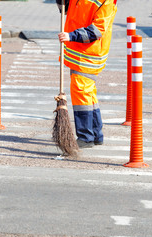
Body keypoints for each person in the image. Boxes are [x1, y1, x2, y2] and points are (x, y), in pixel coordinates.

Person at [56, 0, 117, 148]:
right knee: (88, 94)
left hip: (89, 54)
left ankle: (86, 137)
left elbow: (97, 31)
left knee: (81, 92)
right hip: (78, 51)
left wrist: (71, 36)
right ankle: (96, 135)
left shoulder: (106, 2)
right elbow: (66, 10)